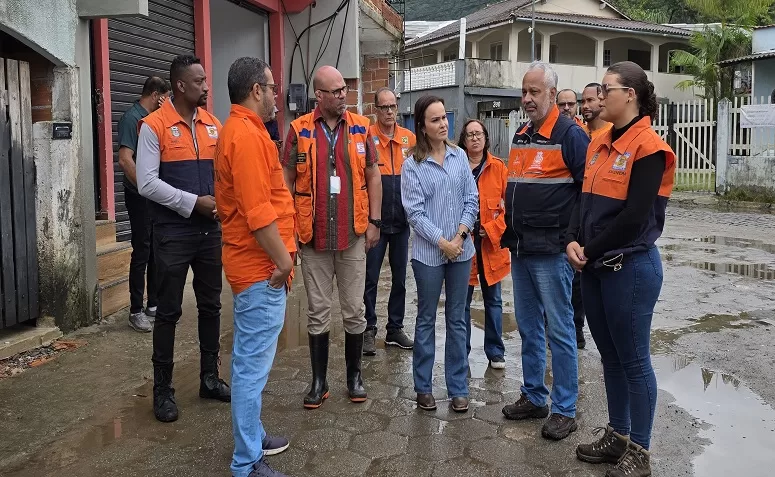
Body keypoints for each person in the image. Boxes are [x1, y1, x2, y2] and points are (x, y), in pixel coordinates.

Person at [567, 61, 675, 477]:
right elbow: (583, 200)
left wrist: (587, 248)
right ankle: (618, 435)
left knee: (634, 361)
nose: (598, 96)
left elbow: (633, 218)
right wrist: (572, 238)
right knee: (610, 356)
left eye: (606, 89)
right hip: (595, 266)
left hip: (629, 269)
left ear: (629, 95)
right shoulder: (598, 143)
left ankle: (640, 452)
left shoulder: (649, 147)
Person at [137, 55, 230, 423]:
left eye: (205, 80)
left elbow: (224, 174)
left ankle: (209, 378)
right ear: (179, 85)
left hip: (209, 232)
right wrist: (193, 203)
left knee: (211, 306)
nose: (206, 87)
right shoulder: (153, 126)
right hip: (172, 233)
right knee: (169, 312)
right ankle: (163, 391)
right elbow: (147, 183)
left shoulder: (213, 125)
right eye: (199, 81)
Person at [281, 66, 382, 409]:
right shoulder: (298, 130)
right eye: (336, 91)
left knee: (354, 310)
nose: (343, 95)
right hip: (313, 237)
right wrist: (289, 229)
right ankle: (319, 382)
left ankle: (354, 377)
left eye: (344, 89)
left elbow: (373, 176)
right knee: (318, 311)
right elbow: (286, 180)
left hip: (352, 235)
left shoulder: (362, 127)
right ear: (319, 95)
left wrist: (375, 221)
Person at [500, 62, 589, 440]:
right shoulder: (521, 134)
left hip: (552, 250)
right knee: (529, 326)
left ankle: (565, 408)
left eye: (534, 92)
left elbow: (587, 191)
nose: (527, 98)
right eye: (524, 91)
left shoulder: (571, 134)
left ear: (552, 94)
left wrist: (573, 238)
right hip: (520, 248)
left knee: (560, 329)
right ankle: (534, 396)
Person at [215, 57, 293, 477]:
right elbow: (258, 212)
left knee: (251, 362)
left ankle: (253, 435)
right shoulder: (244, 135)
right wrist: (283, 262)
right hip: (261, 269)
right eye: (272, 87)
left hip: (259, 267)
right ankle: (246, 462)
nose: (277, 95)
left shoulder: (247, 130)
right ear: (256, 90)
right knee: (250, 368)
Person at [401, 96, 479, 413]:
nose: (443, 124)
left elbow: (471, 199)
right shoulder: (413, 165)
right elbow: (415, 214)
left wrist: (459, 236)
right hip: (428, 256)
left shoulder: (460, 156)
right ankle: (423, 387)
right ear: (422, 126)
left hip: (462, 251)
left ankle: (458, 387)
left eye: (444, 117)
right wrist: (443, 243)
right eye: (435, 119)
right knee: (426, 319)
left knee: (457, 319)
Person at [362, 87, 416, 355]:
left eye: (392, 106)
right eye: (384, 107)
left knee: (400, 279)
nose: (389, 112)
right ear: (375, 109)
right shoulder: (366, 137)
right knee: (370, 277)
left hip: (401, 223)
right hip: (376, 223)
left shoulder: (409, 139)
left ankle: (394, 329)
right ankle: (368, 328)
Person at [117, 76, 171, 333]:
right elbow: (125, 159)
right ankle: (135, 310)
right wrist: (145, 188)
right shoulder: (132, 118)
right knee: (141, 250)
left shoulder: (155, 119)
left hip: (153, 195)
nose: (168, 103)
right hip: (139, 195)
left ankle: (154, 303)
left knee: (154, 249)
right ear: (156, 95)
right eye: (166, 98)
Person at [456, 119, 510, 369]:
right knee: (462, 302)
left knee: (494, 300)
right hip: (463, 243)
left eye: (479, 134)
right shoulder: (456, 167)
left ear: (486, 138)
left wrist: (491, 229)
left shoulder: (498, 167)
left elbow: (510, 208)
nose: (475, 138)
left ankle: (495, 351)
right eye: (470, 135)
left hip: (491, 244)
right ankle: (461, 352)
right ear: (463, 140)